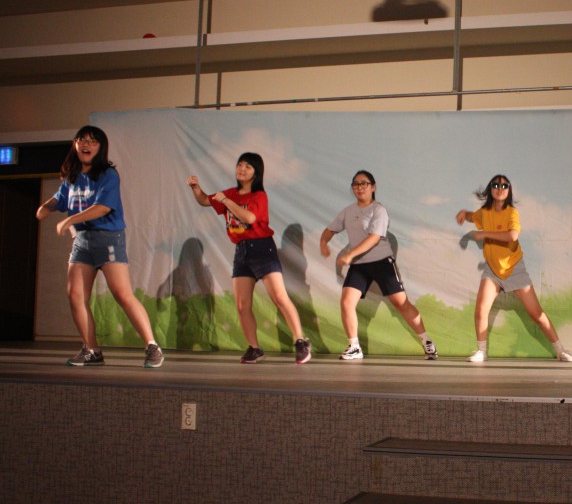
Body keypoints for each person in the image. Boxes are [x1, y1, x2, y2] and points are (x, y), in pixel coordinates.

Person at [35, 125, 164, 368]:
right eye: (82, 140)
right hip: (82, 241)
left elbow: (103, 208)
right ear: (75, 144)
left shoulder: (108, 174)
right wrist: (46, 207)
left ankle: (152, 346)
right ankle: (91, 350)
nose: (86, 145)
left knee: (122, 293)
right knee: (75, 295)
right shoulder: (72, 176)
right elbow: (60, 198)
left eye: (93, 141)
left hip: (108, 238)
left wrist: (69, 220)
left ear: (100, 147)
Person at [186, 153, 312, 364]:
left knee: (279, 297)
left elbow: (250, 218)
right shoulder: (230, 193)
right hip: (242, 251)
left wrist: (226, 200)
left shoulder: (258, 196)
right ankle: (255, 348)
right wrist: (196, 188)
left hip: (262, 248)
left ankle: (300, 341)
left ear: (256, 172)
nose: (241, 169)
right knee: (242, 305)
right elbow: (205, 200)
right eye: (239, 165)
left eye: (247, 166)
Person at [319, 170, 437, 361]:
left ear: (373, 187)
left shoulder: (378, 210)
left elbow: (374, 238)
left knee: (401, 303)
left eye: (364, 184)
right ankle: (354, 347)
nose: (360, 187)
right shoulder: (348, 211)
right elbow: (329, 230)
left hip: (382, 262)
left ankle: (426, 340)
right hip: (359, 265)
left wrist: (350, 254)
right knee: (347, 302)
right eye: (356, 184)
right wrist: (323, 243)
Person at [455, 174, 572, 363]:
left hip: (514, 268)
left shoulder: (511, 212)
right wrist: (464, 213)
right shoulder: (484, 213)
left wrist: (484, 234)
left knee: (536, 313)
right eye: (495, 185)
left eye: (504, 186)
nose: (499, 188)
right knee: (481, 310)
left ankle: (560, 350)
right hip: (493, 270)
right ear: (490, 189)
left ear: (509, 191)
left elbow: (512, 236)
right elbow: (473, 217)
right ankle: (481, 351)